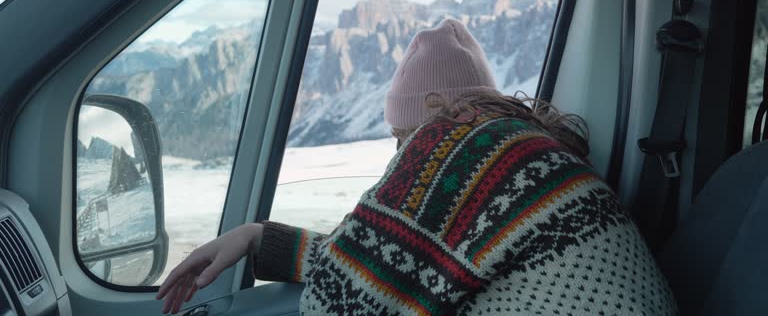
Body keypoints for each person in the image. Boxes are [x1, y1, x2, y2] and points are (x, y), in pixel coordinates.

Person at [158, 19, 676, 315]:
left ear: (425, 120)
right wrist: (257, 238)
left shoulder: (454, 153)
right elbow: (393, 264)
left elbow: (343, 307)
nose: (397, 154)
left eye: (398, 137)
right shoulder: (521, 149)